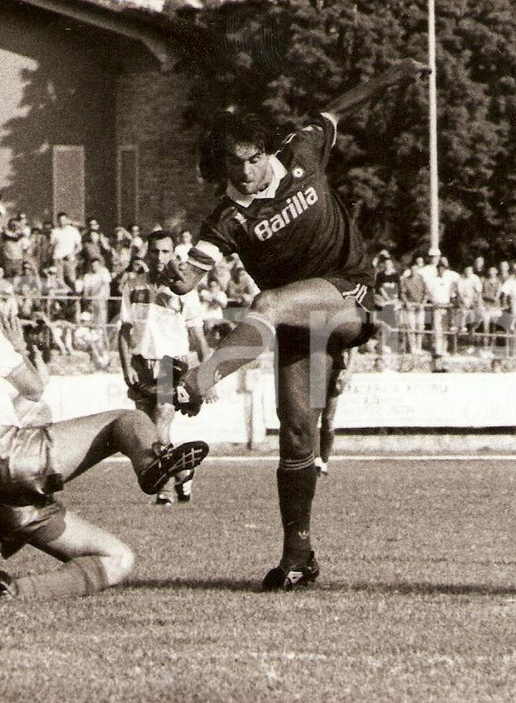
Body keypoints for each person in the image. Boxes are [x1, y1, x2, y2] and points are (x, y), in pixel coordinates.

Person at [164, 58, 427, 591]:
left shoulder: (303, 150)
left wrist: (396, 72)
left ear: (267, 151)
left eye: (253, 160)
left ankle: (201, 380)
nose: (244, 172)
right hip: (299, 323)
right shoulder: (226, 219)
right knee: (297, 431)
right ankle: (298, 556)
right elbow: (188, 278)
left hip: (350, 295)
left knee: (264, 303)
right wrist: (172, 275)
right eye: (233, 165)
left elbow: (339, 107)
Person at [0, 272, 208, 600]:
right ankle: (154, 465)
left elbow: (25, 404)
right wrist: (21, 348)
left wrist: (35, 358)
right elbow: (33, 387)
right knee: (127, 420)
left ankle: (17, 591)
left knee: (117, 558)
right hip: (6, 457)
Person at [118, 230, 211, 506]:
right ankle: (183, 472)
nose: (160, 257)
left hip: (173, 362)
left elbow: (198, 338)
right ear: (147, 253)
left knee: (162, 417)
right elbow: (124, 331)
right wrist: (126, 368)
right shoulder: (133, 285)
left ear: (174, 254)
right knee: (148, 432)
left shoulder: (184, 289)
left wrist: (206, 379)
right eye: (155, 251)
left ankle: (165, 490)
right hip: (141, 362)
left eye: (165, 252)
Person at [315, 347, 351, 477]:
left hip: (337, 369)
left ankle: (324, 462)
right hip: (317, 366)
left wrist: (348, 371)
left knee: (328, 419)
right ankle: (316, 459)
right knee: (312, 417)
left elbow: (354, 345)